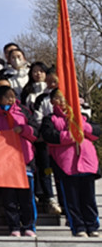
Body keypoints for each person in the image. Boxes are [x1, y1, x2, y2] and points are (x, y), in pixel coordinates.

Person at [40, 90, 100, 237]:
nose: (61, 102)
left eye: (64, 99)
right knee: (71, 200)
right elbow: (49, 136)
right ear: (52, 101)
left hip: (87, 163)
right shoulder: (50, 119)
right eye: (57, 99)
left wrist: (80, 124)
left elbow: (96, 131)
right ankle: (78, 226)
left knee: (89, 198)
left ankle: (92, 226)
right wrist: (71, 135)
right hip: (66, 164)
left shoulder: (82, 117)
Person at [0, 85, 38, 237]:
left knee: (26, 197)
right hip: (4, 162)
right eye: (7, 97)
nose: (11, 99)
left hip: (24, 158)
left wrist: (24, 129)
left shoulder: (23, 112)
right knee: (9, 198)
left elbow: (36, 131)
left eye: (12, 96)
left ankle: (29, 226)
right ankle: (14, 226)